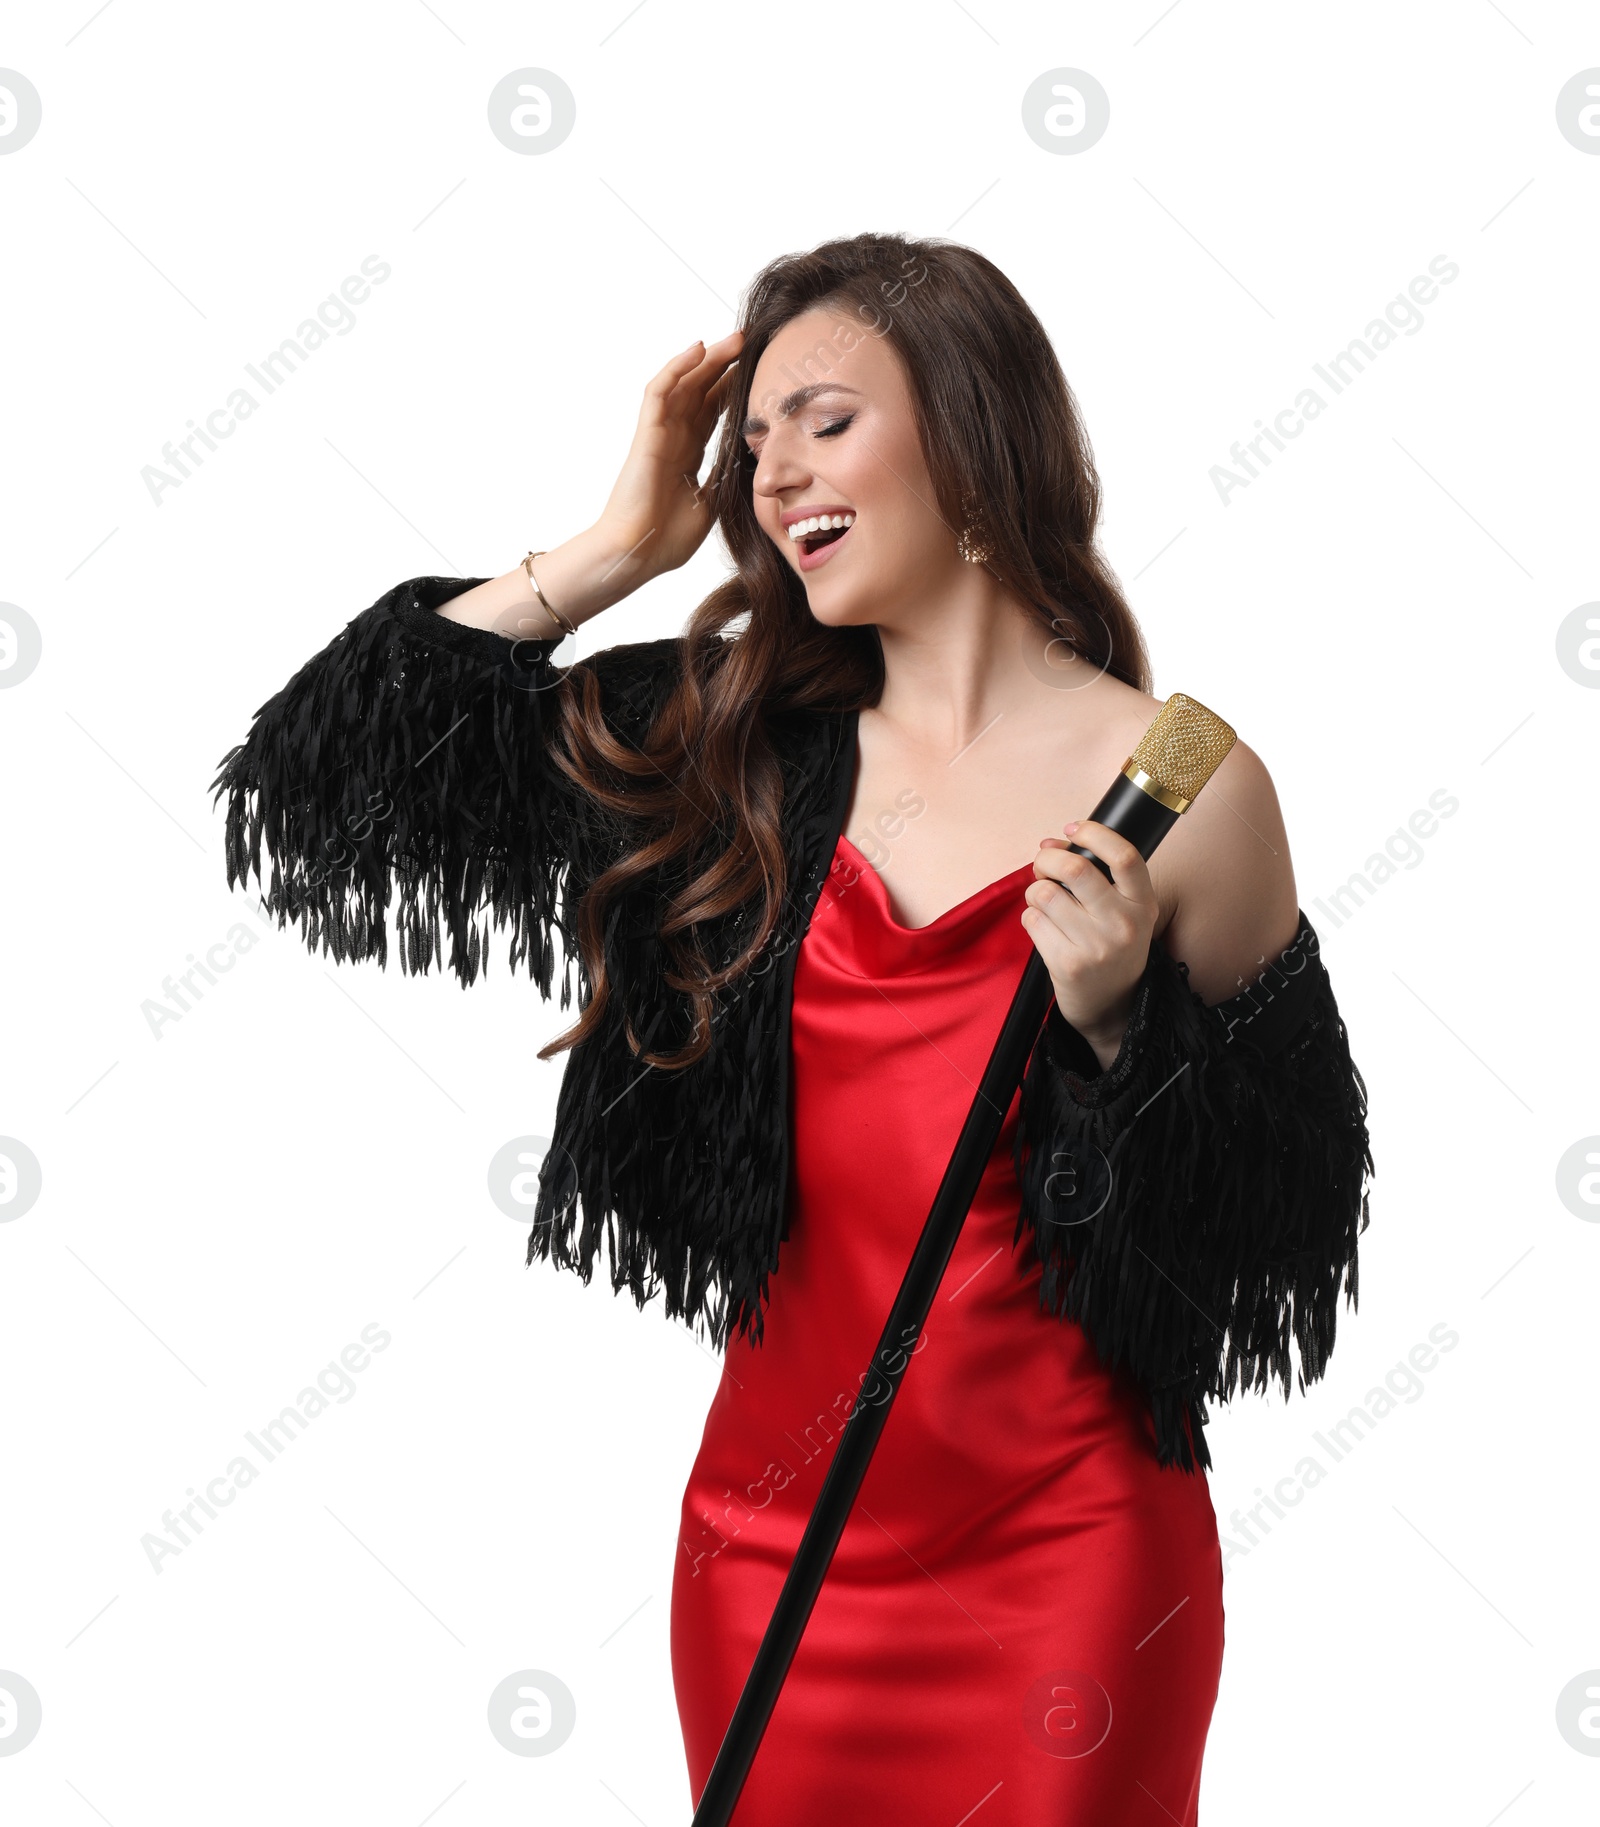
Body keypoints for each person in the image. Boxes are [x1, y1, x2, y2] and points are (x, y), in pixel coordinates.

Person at [213, 232, 1372, 1822]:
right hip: (769, 1554)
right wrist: (618, 548)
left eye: (822, 419)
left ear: (972, 432)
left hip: (1074, 1564)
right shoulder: (730, 748)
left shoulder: (1188, 796)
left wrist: (1115, 1038)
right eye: (751, 440)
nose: (771, 474)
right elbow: (327, 788)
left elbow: (1283, 1235)